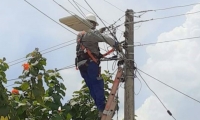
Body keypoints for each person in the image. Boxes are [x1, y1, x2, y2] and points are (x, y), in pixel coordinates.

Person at [75, 13, 119, 119]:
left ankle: (100, 109)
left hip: (82, 65)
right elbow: (103, 38)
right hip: (90, 64)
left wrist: (99, 32)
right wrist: (117, 45)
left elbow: (91, 39)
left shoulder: (80, 34)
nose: (95, 26)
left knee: (92, 87)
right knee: (98, 85)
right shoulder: (91, 33)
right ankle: (103, 108)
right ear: (91, 23)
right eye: (94, 24)